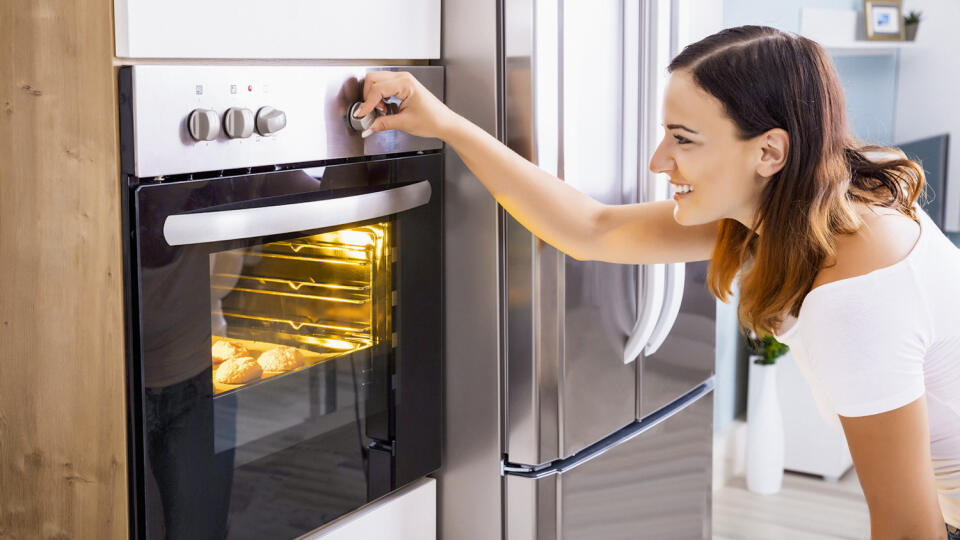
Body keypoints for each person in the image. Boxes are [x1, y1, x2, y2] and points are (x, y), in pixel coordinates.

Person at [354, 24, 960, 539]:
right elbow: (590, 229)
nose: (658, 161)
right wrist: (446, 124)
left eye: (684, 140)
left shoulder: (851, 293)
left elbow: (909, 529)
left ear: (769, 152)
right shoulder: (803, 203)